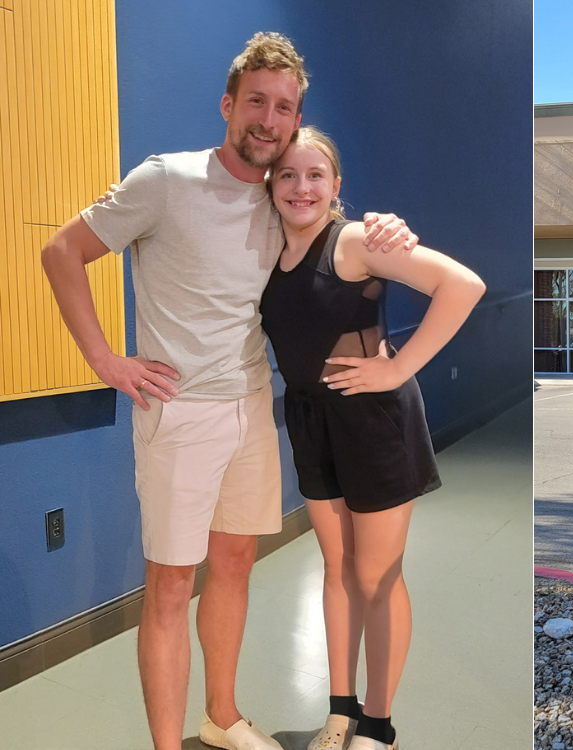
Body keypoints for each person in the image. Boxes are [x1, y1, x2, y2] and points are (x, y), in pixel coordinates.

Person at [39, 33, 415, 750]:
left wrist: (388, 225)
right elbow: (63, 251)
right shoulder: (165, 180)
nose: (268, 120)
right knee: (172, 584)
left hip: (251, 408)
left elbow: (336, 228)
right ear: (228, 104)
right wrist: (104, 360)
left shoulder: (281, 197)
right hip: (178, 413)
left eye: (284, 107)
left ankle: (220, 716)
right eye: (256, 103)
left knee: (236, 563)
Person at [259, 127, 484, 749]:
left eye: (315, 176)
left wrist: (399, 365)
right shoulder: (266, 250)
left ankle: (378, 727)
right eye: (287, 175)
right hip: (311, 420)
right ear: (271, 185)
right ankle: (341, 709)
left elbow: (462, 285)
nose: (300, 187)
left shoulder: (355, 240)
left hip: (374, 420)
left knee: (377, 576)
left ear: (336, 188)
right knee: (337, 568)